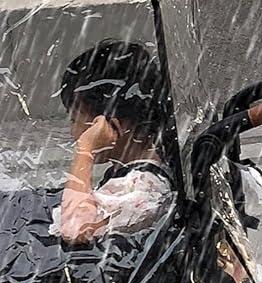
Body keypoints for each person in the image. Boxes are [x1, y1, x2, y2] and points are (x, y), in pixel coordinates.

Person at [52, 39, 175, 245]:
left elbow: (74, 229)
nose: (73, 131)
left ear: (112, 126)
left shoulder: (144, 187)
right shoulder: (133, 172)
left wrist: (85, 152)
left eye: (75, 119)